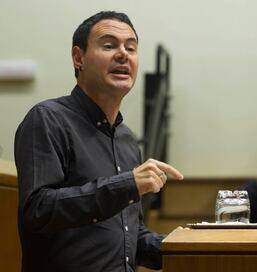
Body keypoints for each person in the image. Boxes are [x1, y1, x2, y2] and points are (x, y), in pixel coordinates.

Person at [14, 11, 183, 272]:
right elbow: (38, 210)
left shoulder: (127, 140)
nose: (123, 54)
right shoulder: (48, 119)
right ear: (78, 58)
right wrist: (126, 185)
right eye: (109, 45)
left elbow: (131, 238)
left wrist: (189, 246)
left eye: (131, 47)